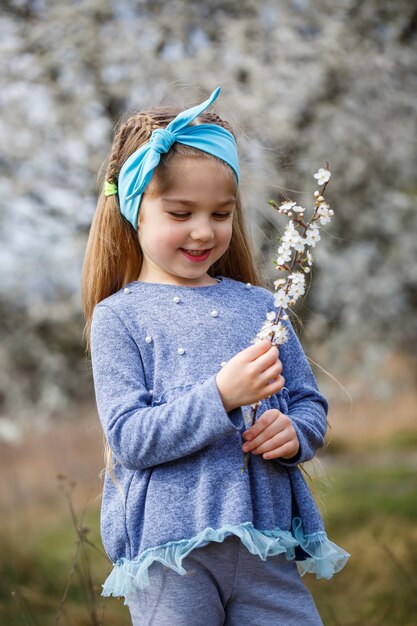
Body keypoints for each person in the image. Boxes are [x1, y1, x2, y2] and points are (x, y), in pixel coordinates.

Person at [81, 86, 350, 626]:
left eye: (221, 213)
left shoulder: (260, 306)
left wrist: (294, 433)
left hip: (264, 542)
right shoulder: (119, 317)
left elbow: (307, 403)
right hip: (170, 553)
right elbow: (131, 439)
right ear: (136, 210)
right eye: (181, 212)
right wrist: (220, 397)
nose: (204, 231)